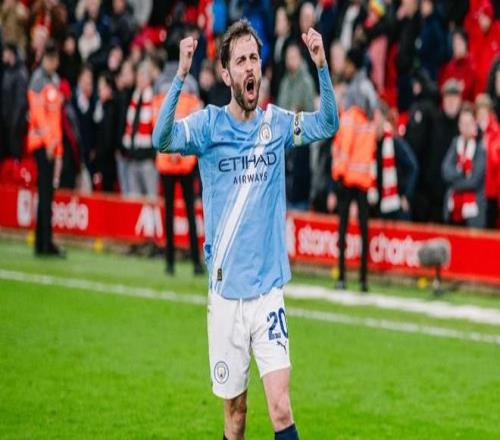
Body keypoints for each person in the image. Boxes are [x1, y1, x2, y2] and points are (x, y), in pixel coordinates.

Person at [153, 19, 338, 440]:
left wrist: (321, 67)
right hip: (225, 296)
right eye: (240, 60)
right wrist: (180, 76)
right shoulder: (208, 126)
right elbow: (161, 139)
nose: (250, 66)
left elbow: (328, 124)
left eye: (254, 57)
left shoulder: (276, 124)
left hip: (268, 291)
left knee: (280, 408)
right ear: (226, 74)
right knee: (236, 416)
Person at [331, 46, 377, 293]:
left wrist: (338, 171)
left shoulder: (352, 94)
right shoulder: (370, 91)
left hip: (349, 172)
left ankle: (341, 276)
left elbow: (346, 134)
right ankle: (364, 279)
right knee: (363, 228)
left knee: (343, 227)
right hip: (364, 171)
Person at [153, 87, 204, 276]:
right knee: (178, 213)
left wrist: (174, 151)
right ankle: (178, 262)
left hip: (180, 164)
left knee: (184, 213)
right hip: (176, 164)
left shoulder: (166, 100)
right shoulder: (165, 100)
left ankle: (183, 262)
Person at [27, 41, 65, 257]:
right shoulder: (38, 80)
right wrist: (50, 143)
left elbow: (55, 118)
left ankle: (43, 242)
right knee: (45, 193)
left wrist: (57, 147)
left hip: (51, 145)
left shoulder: (53, 80)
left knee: (48, 194)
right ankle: (44, 243)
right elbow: (39, 115)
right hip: (42, 145)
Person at [442, 104, 486, 228]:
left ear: (474, 124)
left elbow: (474, 181)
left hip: (473, 213)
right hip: (453, 209)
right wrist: (462, 172)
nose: (465, 127)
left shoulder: (481, 147)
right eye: (462, 123)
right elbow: (445, 170)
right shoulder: (455, 144)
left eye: (468, 123)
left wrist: (454, 184)